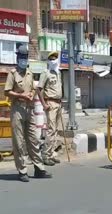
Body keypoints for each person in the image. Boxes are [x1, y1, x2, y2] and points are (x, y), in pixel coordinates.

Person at [4, 45, 52, 182]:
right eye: (22, 57)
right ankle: (22, 170)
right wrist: (21, 95)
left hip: (29, 109)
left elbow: (32, 89)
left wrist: (30, 94)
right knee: (19, 142)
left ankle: (39, 168)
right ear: (17, 58)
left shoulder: (30, 73)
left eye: (25, 57)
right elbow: (6, 92)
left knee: (33, 139)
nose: (23, 60)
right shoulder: (12, 74)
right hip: (17, 109)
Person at [37, 51, 63, 166]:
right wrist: (44, 104)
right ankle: (45, 154)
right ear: (48, 61)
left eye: (55, 59)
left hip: (58, 103)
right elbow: (39, 89)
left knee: (56, 130)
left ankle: (51, 153)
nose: (53, 61)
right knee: (51, 130)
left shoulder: (58, 73)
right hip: (50, 103)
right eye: (51, 59)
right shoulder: (45, 73)